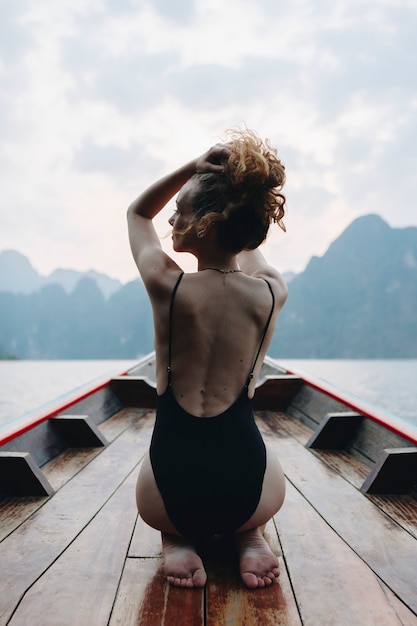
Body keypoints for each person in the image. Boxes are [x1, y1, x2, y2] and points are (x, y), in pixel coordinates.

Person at [127, 128, 288, 590]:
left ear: (207, 224)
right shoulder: (272, 293)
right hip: (250, 491)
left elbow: (138, 213)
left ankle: (176, 540)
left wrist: (195, 165)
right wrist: (239, 205)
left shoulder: (168, 286)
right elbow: (243, 247)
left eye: (181, 210)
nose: (170, 219)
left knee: (157, 469)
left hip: (168, 498)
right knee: (262, 452)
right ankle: (250, 532)